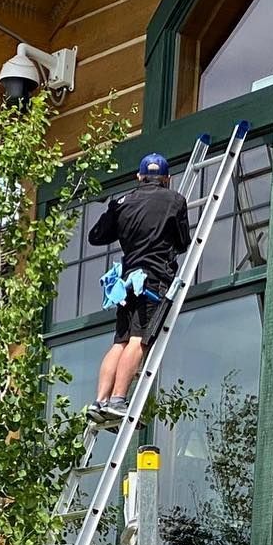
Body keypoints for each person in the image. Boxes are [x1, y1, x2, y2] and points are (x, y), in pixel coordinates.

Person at [86, 153, 189, 424]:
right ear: (167, 179)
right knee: (138, 341)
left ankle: (100, 401)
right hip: (153, 280)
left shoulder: (123, 202)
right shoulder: (175, 200)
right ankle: (119, 399)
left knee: (119, 341)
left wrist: (115, 211)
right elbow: (182, 242)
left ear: (139, 177)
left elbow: (96, 237)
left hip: (127, 283)